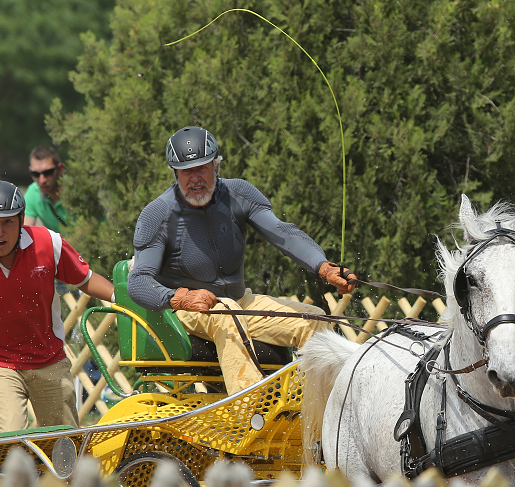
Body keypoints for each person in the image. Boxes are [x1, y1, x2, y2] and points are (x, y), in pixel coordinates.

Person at [128, 126, 357, 395]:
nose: (195, 178)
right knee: (224, 312)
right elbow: (138, 282)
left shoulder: (240, 193)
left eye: (202, 167)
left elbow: (283, 233)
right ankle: (249, 412)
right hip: (188, 312)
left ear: (216, 165)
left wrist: (323, 266)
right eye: (187, 171)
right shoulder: (157, 214)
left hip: (241, 302)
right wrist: (182, 298)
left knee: (315, 319)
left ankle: (319, 419)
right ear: (175, 173)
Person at [0, 181, 114, 433]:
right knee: (11, 437)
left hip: (49, 360)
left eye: (8, 222)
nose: (0, 231)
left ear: (22, 219)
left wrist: (121, 297)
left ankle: (61, 473)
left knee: (65, 443)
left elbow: (85, 280)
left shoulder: (48, 243)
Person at [24, 146, 68, 231]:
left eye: (48, 173)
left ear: (60, 169)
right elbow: (24, 233)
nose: (42, 180)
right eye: (36, 174)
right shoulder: (33, 192)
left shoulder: (78, 190)